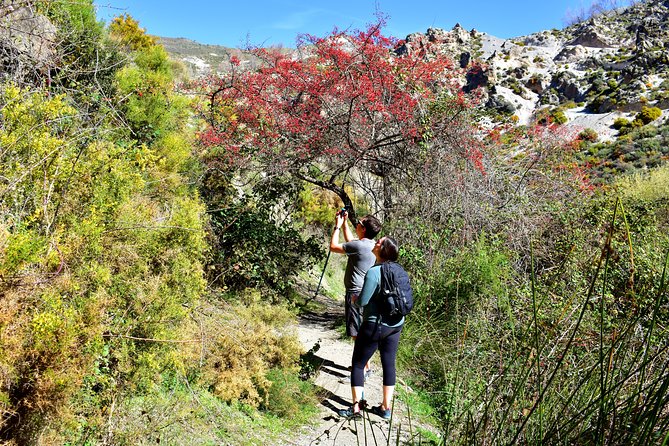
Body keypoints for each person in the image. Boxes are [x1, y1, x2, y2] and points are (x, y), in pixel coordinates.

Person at [338, 237, 408, 420]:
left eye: (379, 243)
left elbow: (363, 301)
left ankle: (356, 410)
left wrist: (354, 299)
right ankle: (385, 408)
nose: (376, 243)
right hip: (396, 324)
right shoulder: (400, 270)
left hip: (374, 324)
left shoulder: (374, 272)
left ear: (382, 250)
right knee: (388, 364)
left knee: (359, 364)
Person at [330, 210, 382, 378]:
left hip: (354, 292)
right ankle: (365, 365)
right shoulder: (371, 246)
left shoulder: (359, 246)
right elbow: (351, 241)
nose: (357, 224)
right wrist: (345, 223)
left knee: (355, 332)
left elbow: (333, 247)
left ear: (364, 229)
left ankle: (363, 367)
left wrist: (337, 227)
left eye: (359, 223)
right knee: (362, 329)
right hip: (368, 293)